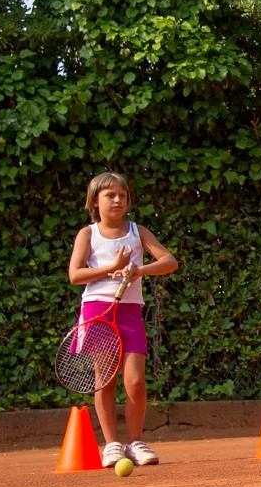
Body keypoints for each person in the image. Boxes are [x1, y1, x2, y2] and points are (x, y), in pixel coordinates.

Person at [68, 172, 178, 468]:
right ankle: (112, 445)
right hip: (98, 312)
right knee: (105, 381)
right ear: (95, 201)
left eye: (123, 196)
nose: (117, 200)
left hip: (129, 312)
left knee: (136, 381)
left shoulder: (137, 231)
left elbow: (169, 262)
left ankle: (135, 442)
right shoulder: (87, 234)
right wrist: (111, 268)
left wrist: (138, 270)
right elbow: (75, 275)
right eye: (110, 195)